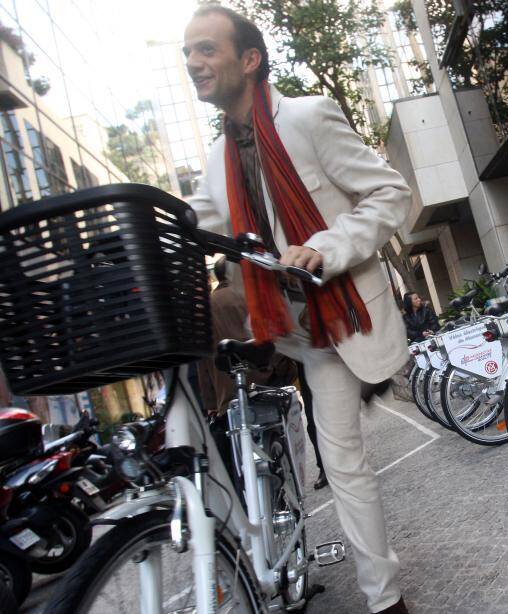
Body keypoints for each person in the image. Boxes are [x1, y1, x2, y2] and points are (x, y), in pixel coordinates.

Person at [183, 5, 411, 613]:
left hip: (331, 323)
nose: (193, 64)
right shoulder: (213, 161)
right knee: (234, 423)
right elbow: (199, 233)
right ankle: (259, 549)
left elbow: (391, 192)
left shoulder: (308, 117)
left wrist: (328, 246)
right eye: (187, 54)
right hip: (272, 324)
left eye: (206, 50)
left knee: (342, 461)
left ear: (249, 59)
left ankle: (385, 599)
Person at [198, 258, 327, 490]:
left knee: (242, 448)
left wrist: (210, 399)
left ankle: (256, 499)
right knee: (278, 440)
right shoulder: (252, 295)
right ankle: (288, 488)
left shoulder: (207, 307)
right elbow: (276, 336)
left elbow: (205, 360)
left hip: (229, 389)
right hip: (266, 380)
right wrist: (281, 367)